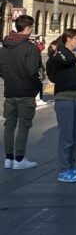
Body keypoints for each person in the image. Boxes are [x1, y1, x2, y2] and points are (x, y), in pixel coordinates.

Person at [47, 28, 76, 183]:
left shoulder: (75, 55)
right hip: (64, 99)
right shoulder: (60, 54)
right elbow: (55, 70)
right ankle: (64, 170)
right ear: (68, 39)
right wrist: (60, 48)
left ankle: (72, 166)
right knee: (67, 137)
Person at [1, 14, 42, 171]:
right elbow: (33, 71)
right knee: (24, 125)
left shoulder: (5, 46)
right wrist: (37, 86)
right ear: (28, 28)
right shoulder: (29, 47)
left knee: (9, 125)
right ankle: (19, 159)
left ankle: (8, 158)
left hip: (9, 91)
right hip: (25, 92)